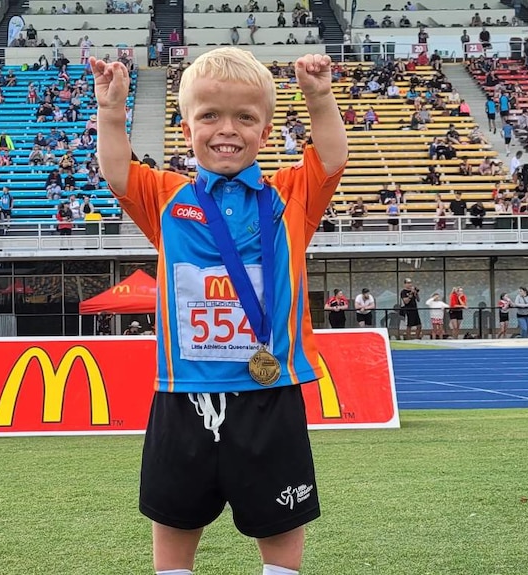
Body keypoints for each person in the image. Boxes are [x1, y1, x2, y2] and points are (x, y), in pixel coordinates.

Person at [91, 47, 347, 575]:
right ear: (186, 128)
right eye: (209, 115)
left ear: (267, 130)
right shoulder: (165, 196)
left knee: (280, 533)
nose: (226, 129)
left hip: (269, 394)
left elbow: (332, 158)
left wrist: (319, 97)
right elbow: (117, 172)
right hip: (184, 393)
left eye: (244, 117)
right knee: (175, 524)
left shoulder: (289, 197)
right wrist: (111, 111)